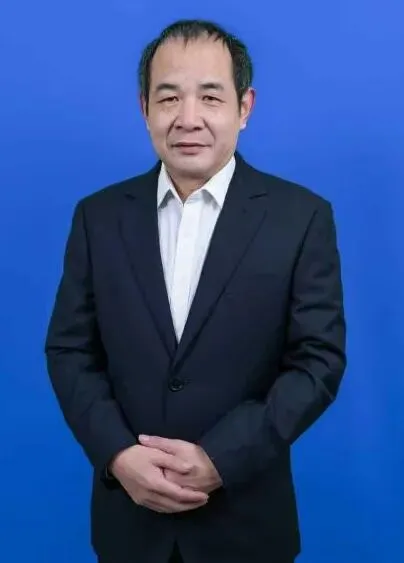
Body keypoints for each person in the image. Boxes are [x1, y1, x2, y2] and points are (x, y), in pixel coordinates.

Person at [44, 18, 347, 563]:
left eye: (210, 97)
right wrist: (117, 454)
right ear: (145, 108)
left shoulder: (301, 218)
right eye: (168, 98)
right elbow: (69, 350)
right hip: (129, 525)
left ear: (244, 107)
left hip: (248, 524)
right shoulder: (98, 217)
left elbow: (318, 362)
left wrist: (221, 458)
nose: (188, 119)